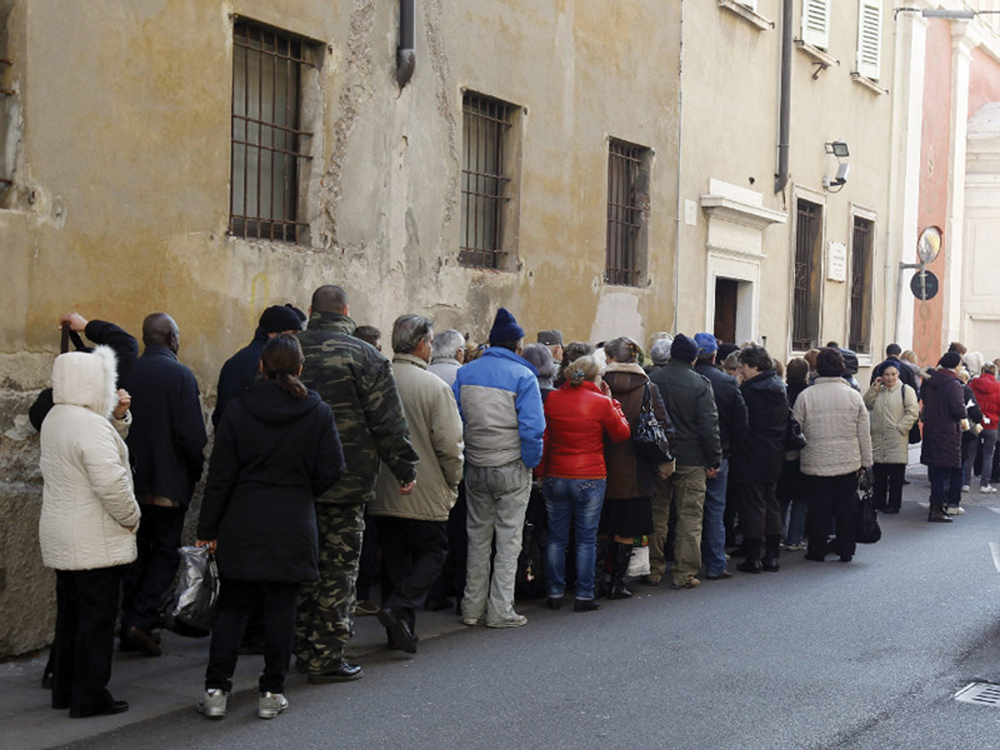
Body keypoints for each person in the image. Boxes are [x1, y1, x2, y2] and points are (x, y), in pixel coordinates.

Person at [196, 335, 344, 720]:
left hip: (242, 519)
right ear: (299, 368)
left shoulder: (238, 409)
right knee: (282, 609)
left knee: (233, 608)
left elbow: (220, 476)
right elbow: (333, 469)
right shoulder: (317, 411)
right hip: (292, 520)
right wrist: (303, 490)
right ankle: (271, 692)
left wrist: (207, 527)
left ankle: (216, 690)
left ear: (261, 366)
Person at [295, 285, 419, 683]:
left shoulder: (287, 349)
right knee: (338, 571)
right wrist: (405, 469)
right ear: (346, 311)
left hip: (290, 482)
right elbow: (388, 422)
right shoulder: (366, 356)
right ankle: (326, 656)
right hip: (348, 482)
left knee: (298, 567)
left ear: (311, 310)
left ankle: (296, 646)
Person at [40, 346, 140, 718]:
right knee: (96, 620)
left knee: (69, 616)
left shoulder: (57, 417)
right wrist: (132, 517)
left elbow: (92, 452)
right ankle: (90, 696)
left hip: (63, 534)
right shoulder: (89, 425)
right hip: (94, 537)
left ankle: (64, 689)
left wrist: (116, 418)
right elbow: (110, 481)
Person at [370, 315, 464, 652]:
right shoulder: (433, 387)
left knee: (395, 557)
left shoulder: (378, 378)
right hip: (425, 487)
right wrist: (453, 481)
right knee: (432, 551)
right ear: (422, 344)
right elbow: (450, 443)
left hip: (383, 484)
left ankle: (400, 629)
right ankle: (400, 608)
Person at [120, 313, 207, 657]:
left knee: (135, 555)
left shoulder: (128, 372)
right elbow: (192, 437)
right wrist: (194, 472)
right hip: (169, 486)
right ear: (172, 338)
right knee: (164, 555)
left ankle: (132, 620)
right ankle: (140, 621)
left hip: (130, 484)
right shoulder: (181, 376)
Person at [452, 308, 544, 628]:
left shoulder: (465, 373)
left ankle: (471, 607)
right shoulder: (524, 376)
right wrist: (531, 462)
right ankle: (501, 609)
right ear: (517, 346)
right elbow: (532, 429)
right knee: (509, 540)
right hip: (511, 464)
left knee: (477, 538)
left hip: (476, 463)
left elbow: (457, 421)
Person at [539, 354, 630, 612]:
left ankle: (555, 592)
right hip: (589, 476)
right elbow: (622, 433)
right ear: (596, 377)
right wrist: (612, 401)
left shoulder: (553, 398)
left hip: (557, 474)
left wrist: (541, 472)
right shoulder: (601, 402)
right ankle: (584, 594)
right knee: (585, 538)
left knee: (556, 538)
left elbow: (545, 438)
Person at [600, 336, 673, 598]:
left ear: (609, 357)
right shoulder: (647, 388)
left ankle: (599, 577)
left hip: (601, 466)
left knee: (601, 526)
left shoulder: (599, 384)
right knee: (627, 529)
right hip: (636, 470)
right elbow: (663, 426)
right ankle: (617, 582)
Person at [648, 334, 721, 589]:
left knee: (658, 513)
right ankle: (684, 572)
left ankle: (654, 569)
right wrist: (714, 459)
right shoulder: (700, 384)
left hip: (659, 457)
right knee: (690, 516)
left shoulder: (653, 379)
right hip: (692, 458)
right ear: (693, 358)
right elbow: (708, 425)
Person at [794, 348, 873, 561]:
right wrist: (866, 462)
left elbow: (796, 429)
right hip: (847, 461)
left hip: (815, 460)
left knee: (819, 507)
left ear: (818, 367)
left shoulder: (805, 396)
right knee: (845, 507)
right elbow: (863, 433)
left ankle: (817, 550)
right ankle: (846, 549)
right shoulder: (853, 396)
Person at [730, 345, 791, 572]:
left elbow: (740, 426)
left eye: (743, 366)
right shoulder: (778, 387)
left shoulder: (748, 392)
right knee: (771, 502)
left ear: (753, 365)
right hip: (774, 453)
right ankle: (772, 556)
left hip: (750, 453)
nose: (740, 371)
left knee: (753, 505)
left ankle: (754, 556)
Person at [692, 332, 746, 580]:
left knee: (685, 512)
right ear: (715, 355)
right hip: (719, 455)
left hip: (687, 456)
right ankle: (714, 563)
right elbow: (740, 423)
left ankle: (685, 565)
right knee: (715, 510)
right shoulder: (727, 383)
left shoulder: (683, 379)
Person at [212, 304, 305, 428]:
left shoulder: (239, 360)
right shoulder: (260, 361)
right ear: (273, 334)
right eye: (292, 334)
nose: (296, 340)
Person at [863, 361, 919, 514]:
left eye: (893, 374)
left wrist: (900, 428)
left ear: (898, 374)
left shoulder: (905, 390)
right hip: (878, 438)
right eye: (887, 374)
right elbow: (866, 403)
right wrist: (874, 387)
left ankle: (894, 504)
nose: (890, 378)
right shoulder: (878, 391)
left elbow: (913, 412)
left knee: (895, 477)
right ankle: (879, 502)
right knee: (879, 475)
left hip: (896, 439)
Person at [778, 358, 810, 548]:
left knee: (782, 496)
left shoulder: (783, 392)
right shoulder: (808, 393)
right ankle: (795, 538)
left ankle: (778, 533)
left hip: (784, 451)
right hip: (802, 450)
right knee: (801, 497)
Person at [971, 362, 1000, 494]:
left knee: (970, 454)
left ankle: (965, 483)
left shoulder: (973, 384)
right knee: (989, 455)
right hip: (992, 424)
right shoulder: (998, 387)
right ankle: (985, 484)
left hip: (976, 422)